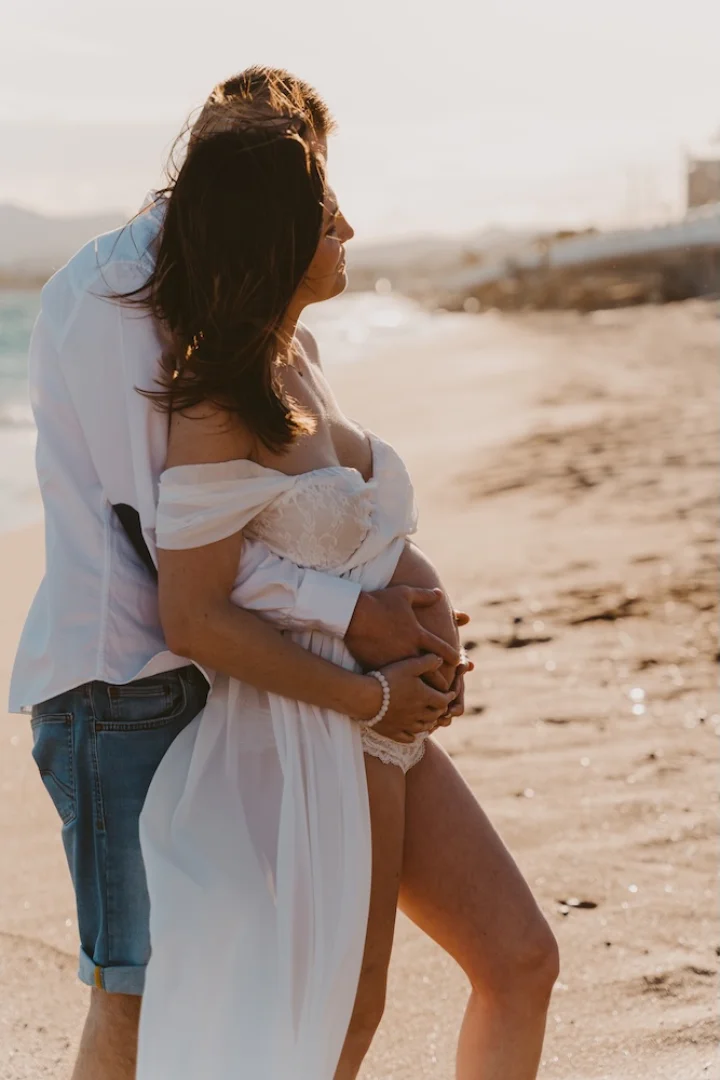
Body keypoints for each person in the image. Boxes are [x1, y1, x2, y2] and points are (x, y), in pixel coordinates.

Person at [9, 68, 467, 1080]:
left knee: (228, 987)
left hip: (217, 682)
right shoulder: (116, 294)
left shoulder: (234, 295)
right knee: (137, 991)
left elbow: (265, 515)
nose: (322, 207)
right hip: (120, 685)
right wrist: (355, 620)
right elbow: (162, 542)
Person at [130, 75, 558, 1080]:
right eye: (327, 217)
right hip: (323, 733)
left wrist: (426, 631)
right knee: (342, 1020)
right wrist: (371, 690)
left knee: (521, 957)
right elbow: (193, 614)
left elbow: (345, 535)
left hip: (388, 727)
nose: (350, 227)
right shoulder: (216, 403)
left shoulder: (304, 357)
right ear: (274, 234)